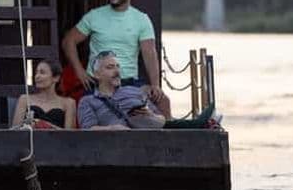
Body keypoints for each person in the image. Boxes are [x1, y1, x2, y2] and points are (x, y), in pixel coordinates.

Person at [62, 0, 169, 116]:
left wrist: (155, 85)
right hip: (98, 83)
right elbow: (68, 41)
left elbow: (149, 53)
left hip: (128, 82)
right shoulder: (94, 16)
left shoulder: (141, 19)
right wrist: (79, 71)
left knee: (163, 102)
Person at [77, 51, 213, 130]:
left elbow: (161, 119)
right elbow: (87, 129)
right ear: (97, 74)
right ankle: (198, 123)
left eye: (118, 66)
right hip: (116, 142)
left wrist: (151, 114)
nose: (117, 71)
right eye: (110, 67)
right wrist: (111, 129)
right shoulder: (88, 101)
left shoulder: (134, 91)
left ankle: (200, 123)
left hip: (146, 136)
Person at [11, 59, 77, 129]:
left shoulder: (68, 103)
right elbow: (15, 130)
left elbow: (69, 134)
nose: (37, 76)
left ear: (56, 78)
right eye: (36, 73)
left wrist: (45, 125)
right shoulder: (24, 99)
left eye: (42, 73)